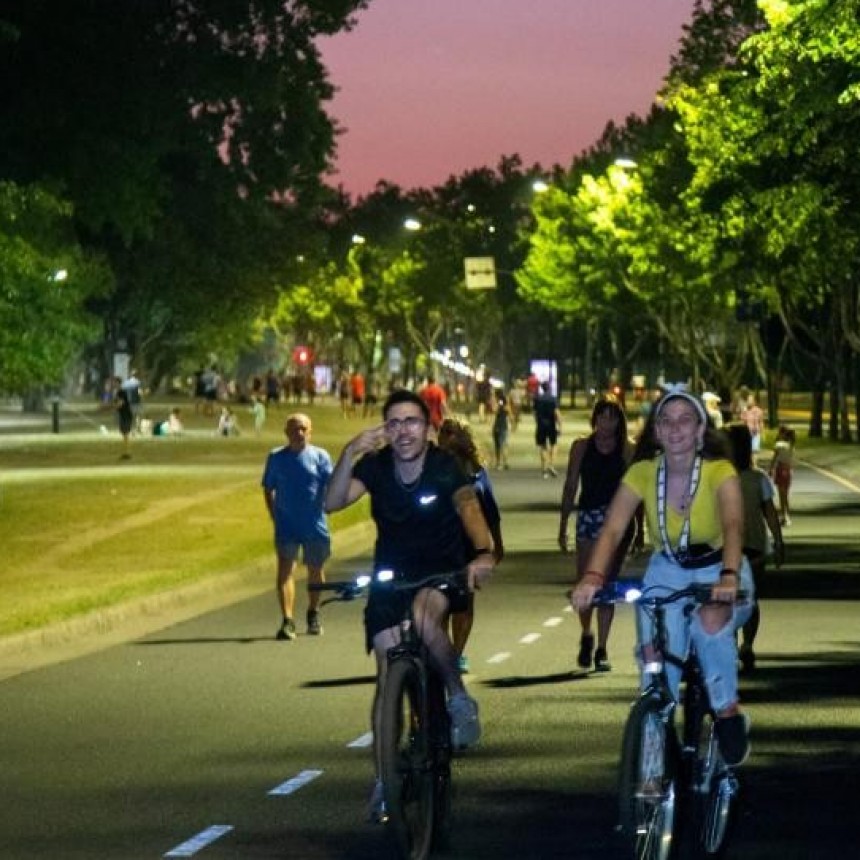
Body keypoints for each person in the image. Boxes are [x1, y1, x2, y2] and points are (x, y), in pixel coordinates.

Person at [325, 389, 496, 821]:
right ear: (385, 430)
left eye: (412, 421)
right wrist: (349, 451)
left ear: (428, 427)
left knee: (424, 618)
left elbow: (470, 509)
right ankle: (385, 779)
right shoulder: (376, 467)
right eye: (394, 423)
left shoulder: (444, 466)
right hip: (392, 577)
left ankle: (457, 695)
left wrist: (482, 553)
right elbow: (331, 502)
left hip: (441, 572)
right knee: (386, 670)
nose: (403, 431)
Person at [571, 386, 756, 767]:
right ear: (655, 431)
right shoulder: (642, 473)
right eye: (666, 421)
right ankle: (652, 775)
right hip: (667, 569)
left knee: (709, 623)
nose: (676, 429)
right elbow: (611, 530)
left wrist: (729, 575)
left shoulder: (719, 471)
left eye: (685, 420)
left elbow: (735, 526)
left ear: (701, 430)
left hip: (719, 567)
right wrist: (592, 576)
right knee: (655, 661)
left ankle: (726, 713)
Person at [558, 395, 635, 672]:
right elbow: (570, 485)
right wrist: (564, 523)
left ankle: (603, 647)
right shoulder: (581, 447)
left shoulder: (627, 450)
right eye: (602, 417)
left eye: (612, 418)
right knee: (585, 580)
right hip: (588, 517)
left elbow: (636, 490)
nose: (606, 423)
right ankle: (586, 633)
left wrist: (638, 529)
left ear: (619, 422)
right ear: (595, 419)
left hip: (616, 519)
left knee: (608, 584)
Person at [437, 417, 504, 674]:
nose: (445, 436)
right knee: (441, 600)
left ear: (463, 437)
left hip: (469, 544)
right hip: (441, 542)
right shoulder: (431, 465)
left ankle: (457, 653)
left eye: (451, 432)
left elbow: (490, 508)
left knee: (464, 601)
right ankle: (442, 651)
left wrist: (496, 544)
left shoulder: (476, 471)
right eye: (443, 431)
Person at [262, 413, 333, 640]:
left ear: (310, 432)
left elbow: (331, 485)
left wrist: (329, 503)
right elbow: (268, 488)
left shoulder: (320, 457)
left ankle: (313, 612)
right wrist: (274, 515)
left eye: (303, 429)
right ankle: (288, 620)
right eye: (294, 429)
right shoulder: (276, 458)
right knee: (285, 570)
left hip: (314, 524)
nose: (299, 433)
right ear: (286, 433)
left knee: (316, 570)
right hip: (287, 526)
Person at [725, 423, 784, 673]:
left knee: (727, 599)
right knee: (750, 599)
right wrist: (779, 542)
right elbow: (770, 514)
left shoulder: (719, 478)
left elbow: (769, 512)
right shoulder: (758, 478)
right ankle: (747, 644)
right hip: (755, 547)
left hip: (728, 548)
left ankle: (734, 643)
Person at [533, 381, 562, 477]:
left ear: (542, 388)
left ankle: (544, 469)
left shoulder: (537, 399)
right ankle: (551, 465)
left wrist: (537, 421)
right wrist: (560, 425)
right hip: (551, 425)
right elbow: (556, 413)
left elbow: (535, 413)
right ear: (549, 388)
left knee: (543, 446)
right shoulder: (553, 399)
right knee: (554, 445)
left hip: (541, 425)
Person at [770, 424, 796, 526]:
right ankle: (787, 515)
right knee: (786, 494)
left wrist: (771, 468)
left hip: (780, 469)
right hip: (788, 469)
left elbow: (774, 458)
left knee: (781, 495)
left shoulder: (779, 445)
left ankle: (784, 515)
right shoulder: (791, 446)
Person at [741, 393, 765, 464]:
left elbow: (761, 422)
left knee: (755, 450)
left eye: (750, 400)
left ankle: (754, 465)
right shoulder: (745, 411)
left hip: (756, 433)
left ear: (754, 402)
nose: (749, 402)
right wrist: (744, 412)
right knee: (748, 450)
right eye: (748, 400)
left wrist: (762, 432)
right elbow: (743, 421)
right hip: (747, 433)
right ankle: (749, 464)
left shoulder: (759, 411)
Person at [491, 392, 512, 470]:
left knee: (501, 446)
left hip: (500, 427)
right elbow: (510, 416)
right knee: (500, 445)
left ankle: (502, 463)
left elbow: (495, 411)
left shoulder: (504, 406)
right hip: (500, 427)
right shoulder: (505, 406)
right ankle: (501, 462)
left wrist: (500, 405)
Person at [114, 376, 133, 459]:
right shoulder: (119, 392)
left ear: (118, 383)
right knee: (124, 434)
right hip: (124, 414)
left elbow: (120, 404)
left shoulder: (121, 392)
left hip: (126, 415)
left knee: (125, 434)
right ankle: (126, 452)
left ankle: (127, 452)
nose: (113, 384)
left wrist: (108, 407)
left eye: (115, 382)